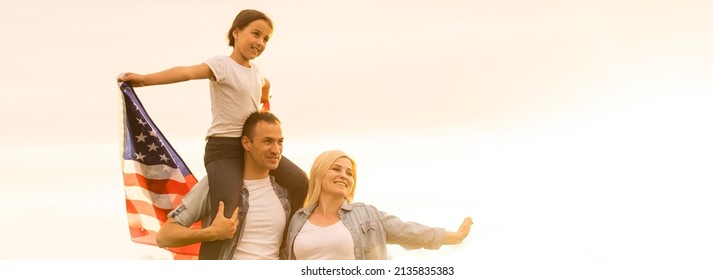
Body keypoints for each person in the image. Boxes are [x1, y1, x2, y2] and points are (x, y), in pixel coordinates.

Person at [118, 9, 308, 259]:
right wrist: (145, 79)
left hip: (250, 147)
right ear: (236, 32)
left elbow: (266, 85)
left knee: (301, 181)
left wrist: (265, 103)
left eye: (266, 39)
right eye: (255, 34)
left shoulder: (257, 72)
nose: (260, 42)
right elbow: (185, 73)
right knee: (227, 213)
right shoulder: (222, 65)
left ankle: (288, 243)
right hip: (223, 150)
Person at [156, 111, 300, 260]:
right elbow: (164, 236)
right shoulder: (216, 184)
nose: (276, 150)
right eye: (268, 141)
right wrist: (211, 233)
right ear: (246, 143)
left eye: (280, 141)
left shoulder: (286, 192)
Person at [282, 150, 474, 260]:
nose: (344, 175)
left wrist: (456, 236)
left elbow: (412, 232)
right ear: (319, 173)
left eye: (349, 173)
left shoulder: (367, 215)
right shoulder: (298, 220)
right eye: (336, 169)